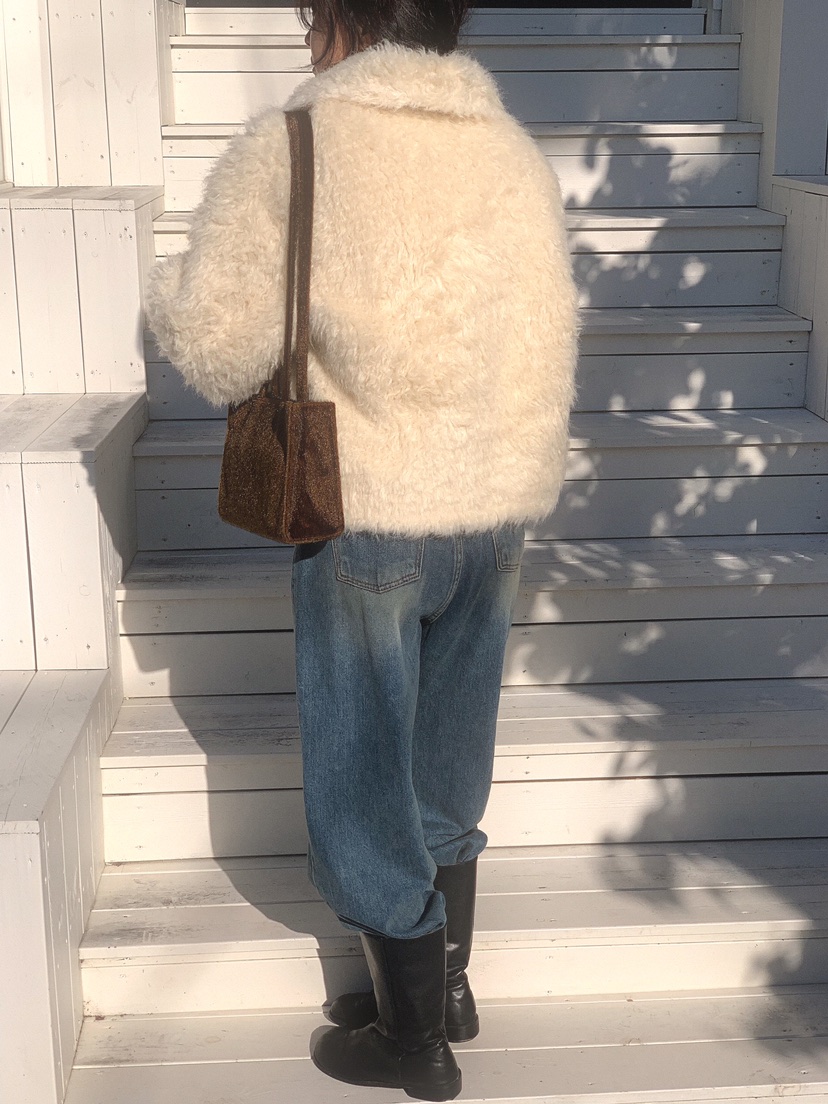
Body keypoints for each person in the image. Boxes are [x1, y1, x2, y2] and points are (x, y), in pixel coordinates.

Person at [144, 0, 579, 1099]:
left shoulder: (297, 142)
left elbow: (216, 343)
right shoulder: (512, 149)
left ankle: (412, 1042)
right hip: (493, 511)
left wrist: (161, 294)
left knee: (361, 771)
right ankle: (445, 985)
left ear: (346, 15)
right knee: (446, 756)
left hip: (370, 506)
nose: (304, 32)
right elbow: (545, 336)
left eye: (310, 11)